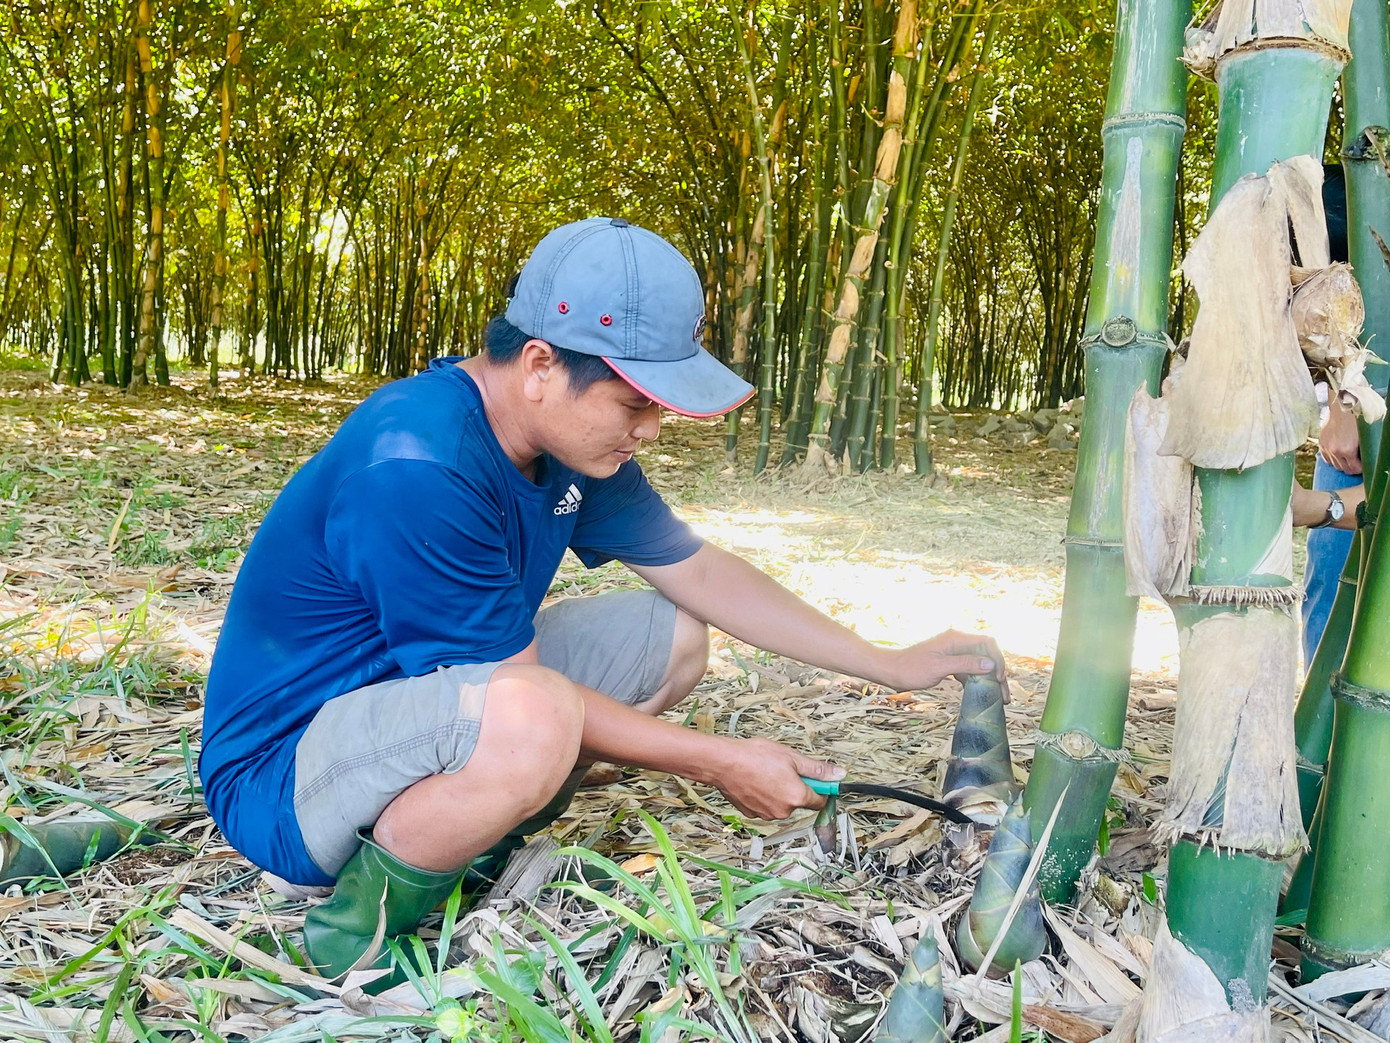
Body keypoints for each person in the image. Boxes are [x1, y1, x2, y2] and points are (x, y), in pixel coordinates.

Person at [198, 217, 1005, 987]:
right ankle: (357, 932)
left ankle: (466, 828)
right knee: (534, 717)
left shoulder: (571, 448)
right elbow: (518, 695)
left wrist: (887, 662)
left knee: (673, 633)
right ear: (542, 365)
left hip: (406, 708)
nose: (650, 429)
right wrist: (723, 761)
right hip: (288, 774)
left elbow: (700, 573)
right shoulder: (419, 460)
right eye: (634, 402)